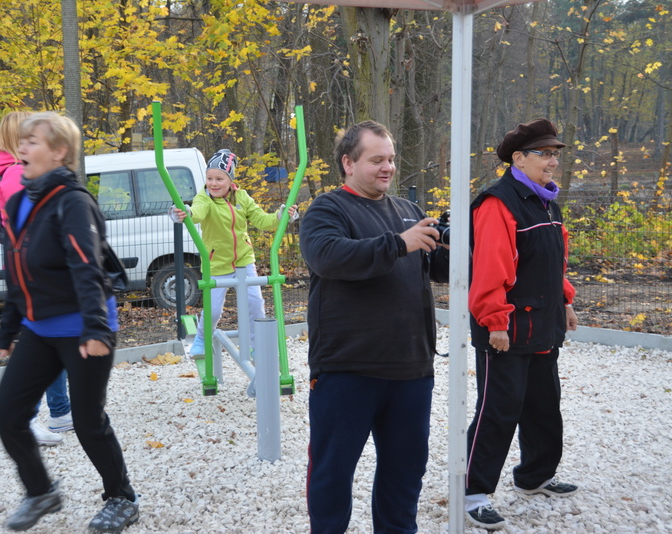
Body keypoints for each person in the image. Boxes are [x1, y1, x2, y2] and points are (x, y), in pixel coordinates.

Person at [0, 112, 139, 533]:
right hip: (39, 328)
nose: (22, 147)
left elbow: (86, 266)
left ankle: (122, 498)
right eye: (22, 141)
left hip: (83, 327)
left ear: (59, 152)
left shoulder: (73, 202)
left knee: (88, 422)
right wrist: (8, 329)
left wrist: (96, 328)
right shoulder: (20, 202)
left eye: (32, 141)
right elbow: (17, 271)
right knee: (7, 414)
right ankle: (41, 491)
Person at [299, 121, 449, 534]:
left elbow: (439, 269)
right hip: (347, 368)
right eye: (377, 159)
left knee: (406, 471)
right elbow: (328, 257)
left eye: (392, 159)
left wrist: (460, 245)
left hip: (411, 369)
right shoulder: (327, 209)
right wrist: (399, 243)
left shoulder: (407, 210)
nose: (388, 168)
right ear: (348, 163)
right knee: (332, 473)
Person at [465, 118, 579, 531]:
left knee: (544, 406)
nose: (553, 162)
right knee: (498, 411)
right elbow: (490, 267)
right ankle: (473, 492)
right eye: (544, 154)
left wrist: (566, 300)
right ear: (518, 158)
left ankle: (535, 476)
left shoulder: (547, 201)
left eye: (555, 154)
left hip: (544, 324)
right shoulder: (498, 202)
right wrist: (494, 321)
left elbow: (553, 260)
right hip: (507, 330)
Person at [0, 111, 73, 446]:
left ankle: (59, 411)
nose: (31, 142)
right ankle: (28, 416)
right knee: (38, 344)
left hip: (34, 272)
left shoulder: (13, 172)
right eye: (28, 137)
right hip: (33, 273)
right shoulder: (16, 175)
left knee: (49, 340)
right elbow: (28, 227)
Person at [172, 149, 296, 358]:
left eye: (219, 179)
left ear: (230, 180)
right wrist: (188, 213)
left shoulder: (242, 197)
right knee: (213, 310)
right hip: (216, 262)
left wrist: (279, 215)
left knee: (255, 303)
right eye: (209, 178)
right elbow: (198, 213)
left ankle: (256, 346)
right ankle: (202, 338)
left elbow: (262, 221)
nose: (213, 184)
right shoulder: (204, 198)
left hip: (243, 260)